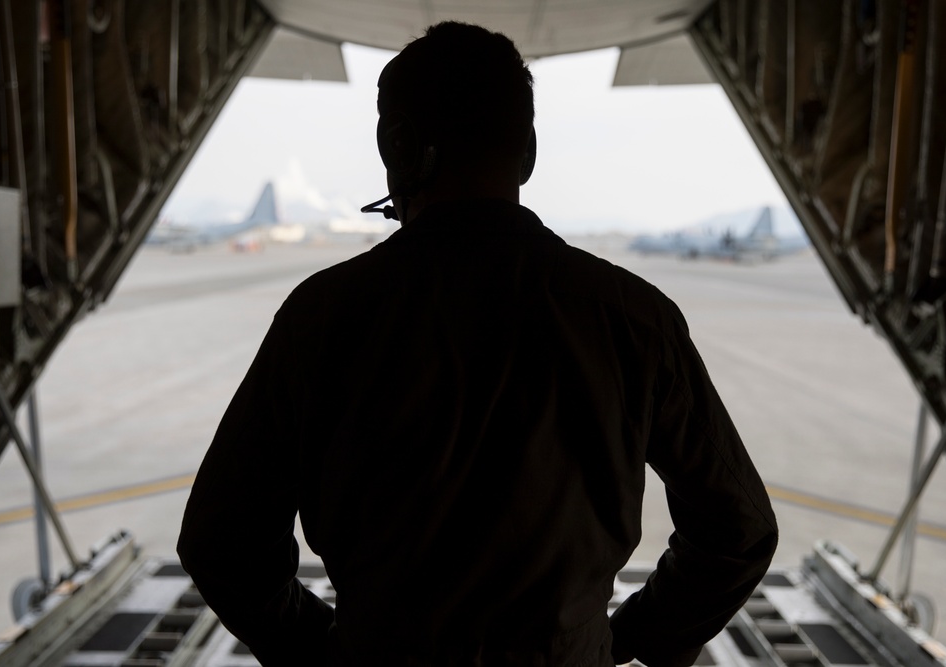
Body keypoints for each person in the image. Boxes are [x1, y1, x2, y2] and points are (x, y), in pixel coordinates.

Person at [177, 21, 778, 667]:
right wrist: (626, 638)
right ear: (529, 153)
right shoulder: (634, 317)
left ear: (397, 148)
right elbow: (736, 530)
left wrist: (319, 644)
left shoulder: (324, 315)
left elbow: (222, 539)